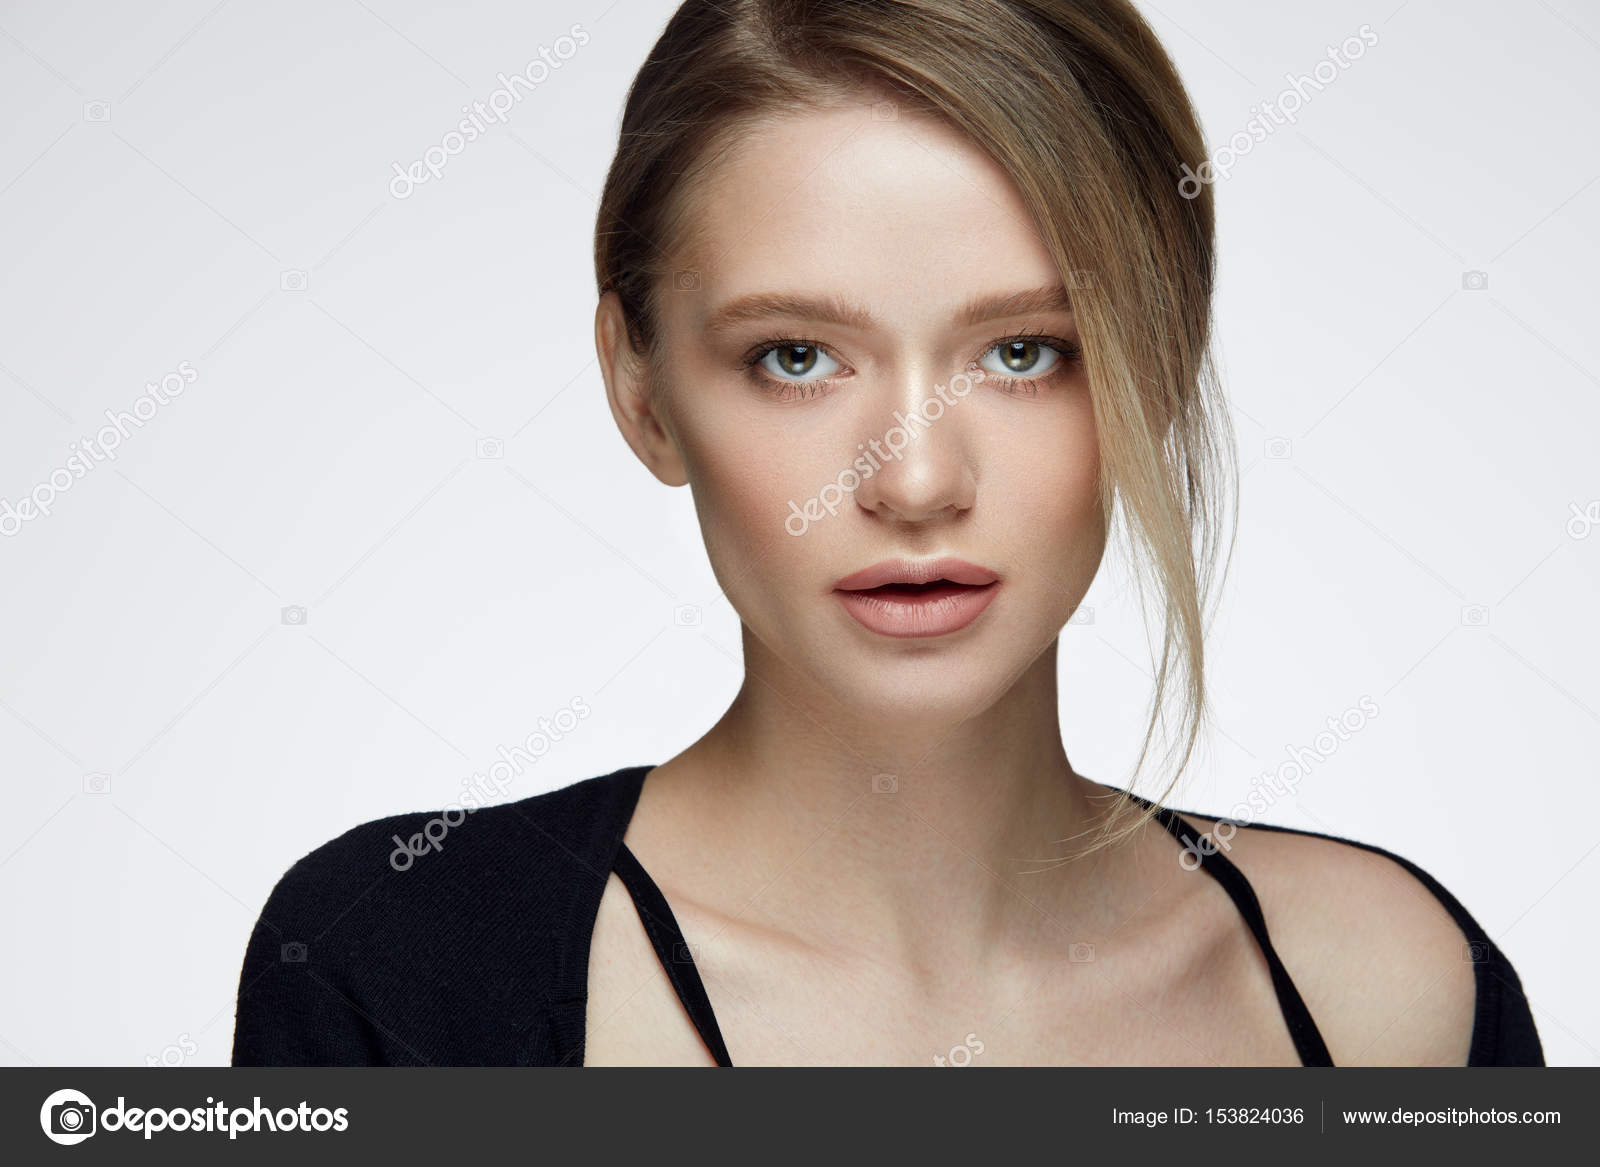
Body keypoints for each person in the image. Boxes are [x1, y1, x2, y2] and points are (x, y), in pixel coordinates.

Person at [232, 0, 1542, 1067]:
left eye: (1027, 351)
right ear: (642, 388)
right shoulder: (403, 969)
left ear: (1161, 364)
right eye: (797, 356)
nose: (914, 478)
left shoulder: (1395, 999)